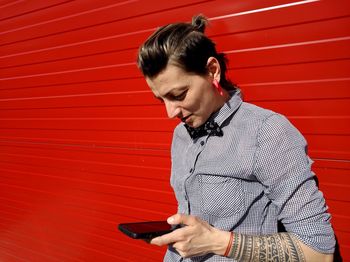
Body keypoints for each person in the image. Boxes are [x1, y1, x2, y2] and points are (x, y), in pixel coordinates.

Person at [136, 14, 335, 262]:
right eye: (161, 99)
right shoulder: (181, 134)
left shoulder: (267, 132)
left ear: (212, 70)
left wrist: (217, 242)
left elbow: (319, 251)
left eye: (179, 94)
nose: (169, 112)